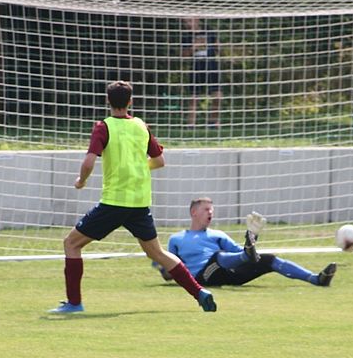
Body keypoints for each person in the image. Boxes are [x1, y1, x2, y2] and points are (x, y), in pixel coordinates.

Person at [49, 81, 217, 313]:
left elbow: (89, 162)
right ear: (130, 101)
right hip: (139, 203)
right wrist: (137, 167)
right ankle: (199, 292)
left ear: (107, 101)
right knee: (157, 252)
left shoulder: (103, 127)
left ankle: (74, 303)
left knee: (71, 243)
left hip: (114, 203)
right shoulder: (141, 126)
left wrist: (81, 181)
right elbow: (159, 161)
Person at [155, 197, 337, 288]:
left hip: (228, 273)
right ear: (193, 212)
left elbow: (243, 254)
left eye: (212, 210)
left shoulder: (218, 235)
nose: (210, 213)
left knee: (269, 259)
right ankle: (247, 249)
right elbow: (169, 272)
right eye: (206, 209)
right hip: (202, 278)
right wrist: (162, 266)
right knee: (220, 256)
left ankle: (316, 279)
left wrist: (251, 240)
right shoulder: (176, 239)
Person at [182, 17, 222, 126]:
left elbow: (218, 49)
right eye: (185, 22)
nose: (187, 24)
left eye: (189, 21)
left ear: (197, 20)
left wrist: (217, 46)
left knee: (217, 95)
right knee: (194, 96)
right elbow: (184, 55)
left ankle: (213, 122)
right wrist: (194, 47)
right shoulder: (186, 36)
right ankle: (191, 124)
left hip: (211, 66)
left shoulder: (209, 31)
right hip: (196, 67)